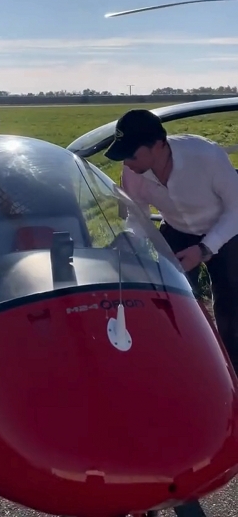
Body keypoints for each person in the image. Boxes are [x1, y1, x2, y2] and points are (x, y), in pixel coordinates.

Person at [105, 109, 238, 517]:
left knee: (231, 309)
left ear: (159, 145)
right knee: (165, 304)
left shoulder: (206, 157)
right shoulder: (134, 174)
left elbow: (237, 210)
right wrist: (129, 243)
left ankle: (230, 388)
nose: (127, 162)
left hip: (226, 229)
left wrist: (206, 249)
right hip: (178, 229)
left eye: (133, 152)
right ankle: (179, 374)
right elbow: (137, 219)